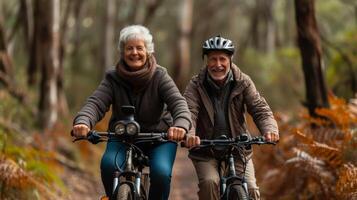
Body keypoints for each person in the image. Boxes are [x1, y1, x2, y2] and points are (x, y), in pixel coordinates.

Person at [72, 25, 192, 200]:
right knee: (108, 165)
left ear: (148, 51)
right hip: (122, 136)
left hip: (158, 138)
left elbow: (179, 104)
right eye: (129, 48)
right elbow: (96, 103)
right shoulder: (112, 77)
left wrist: (180, 125)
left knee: (161, 173)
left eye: (139, 48)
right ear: (122, 52)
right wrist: (83, 121)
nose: (134, 52)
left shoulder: (160, 76)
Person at [184, 35, 279, 200]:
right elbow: (189, 112)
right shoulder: (195, 85)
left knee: (250, 189)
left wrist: (270, 129)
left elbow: (259, 109)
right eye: (213, 59)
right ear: (206, 61)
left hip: (239, 148)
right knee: (209, 183)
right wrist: (190, 134)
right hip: (206, 150)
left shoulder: (243, 82)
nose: (218, 64)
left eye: (222, 59)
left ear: (230, 59)